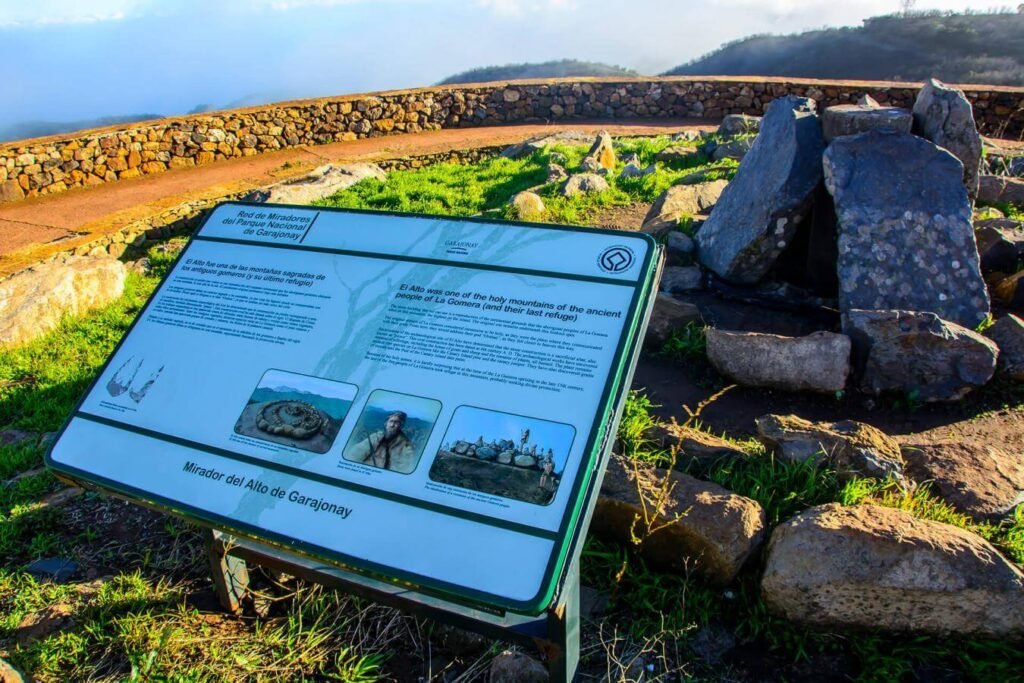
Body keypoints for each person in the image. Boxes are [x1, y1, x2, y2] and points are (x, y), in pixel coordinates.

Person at [345, 411, 417, 473]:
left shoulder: (406, 447)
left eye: (396, 422)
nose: (392, 425)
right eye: (391, 421)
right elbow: (354, 454)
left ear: (401, 425)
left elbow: (405, 470)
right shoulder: (375, 437)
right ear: (386, 423)